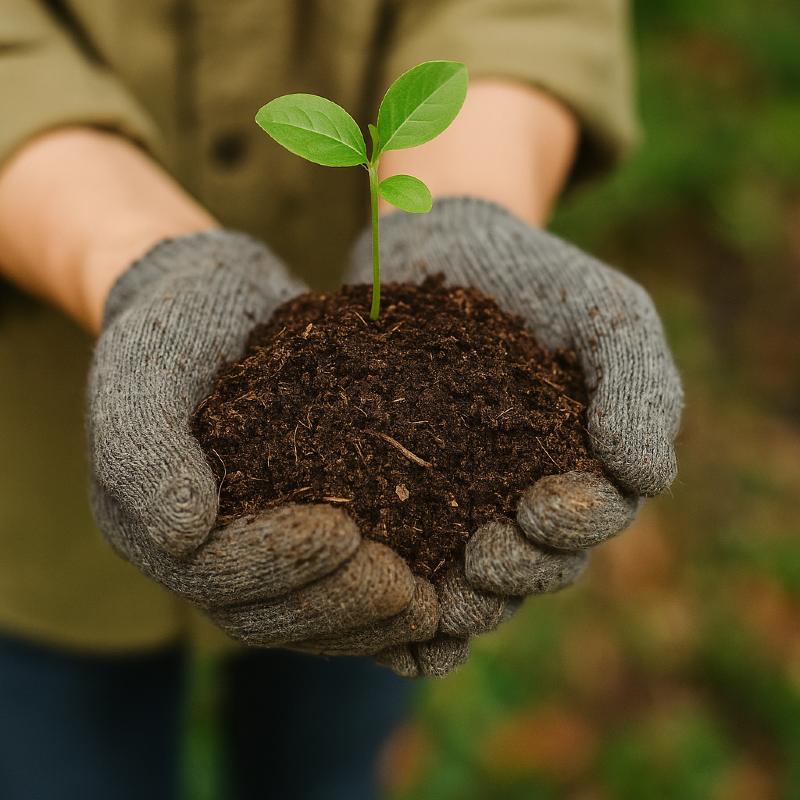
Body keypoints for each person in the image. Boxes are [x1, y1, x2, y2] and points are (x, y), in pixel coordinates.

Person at [0, 1, 682, 799]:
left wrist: (471, 199)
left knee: (331, 749)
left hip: (380, 583)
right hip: (32, 504)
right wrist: (121, 251)